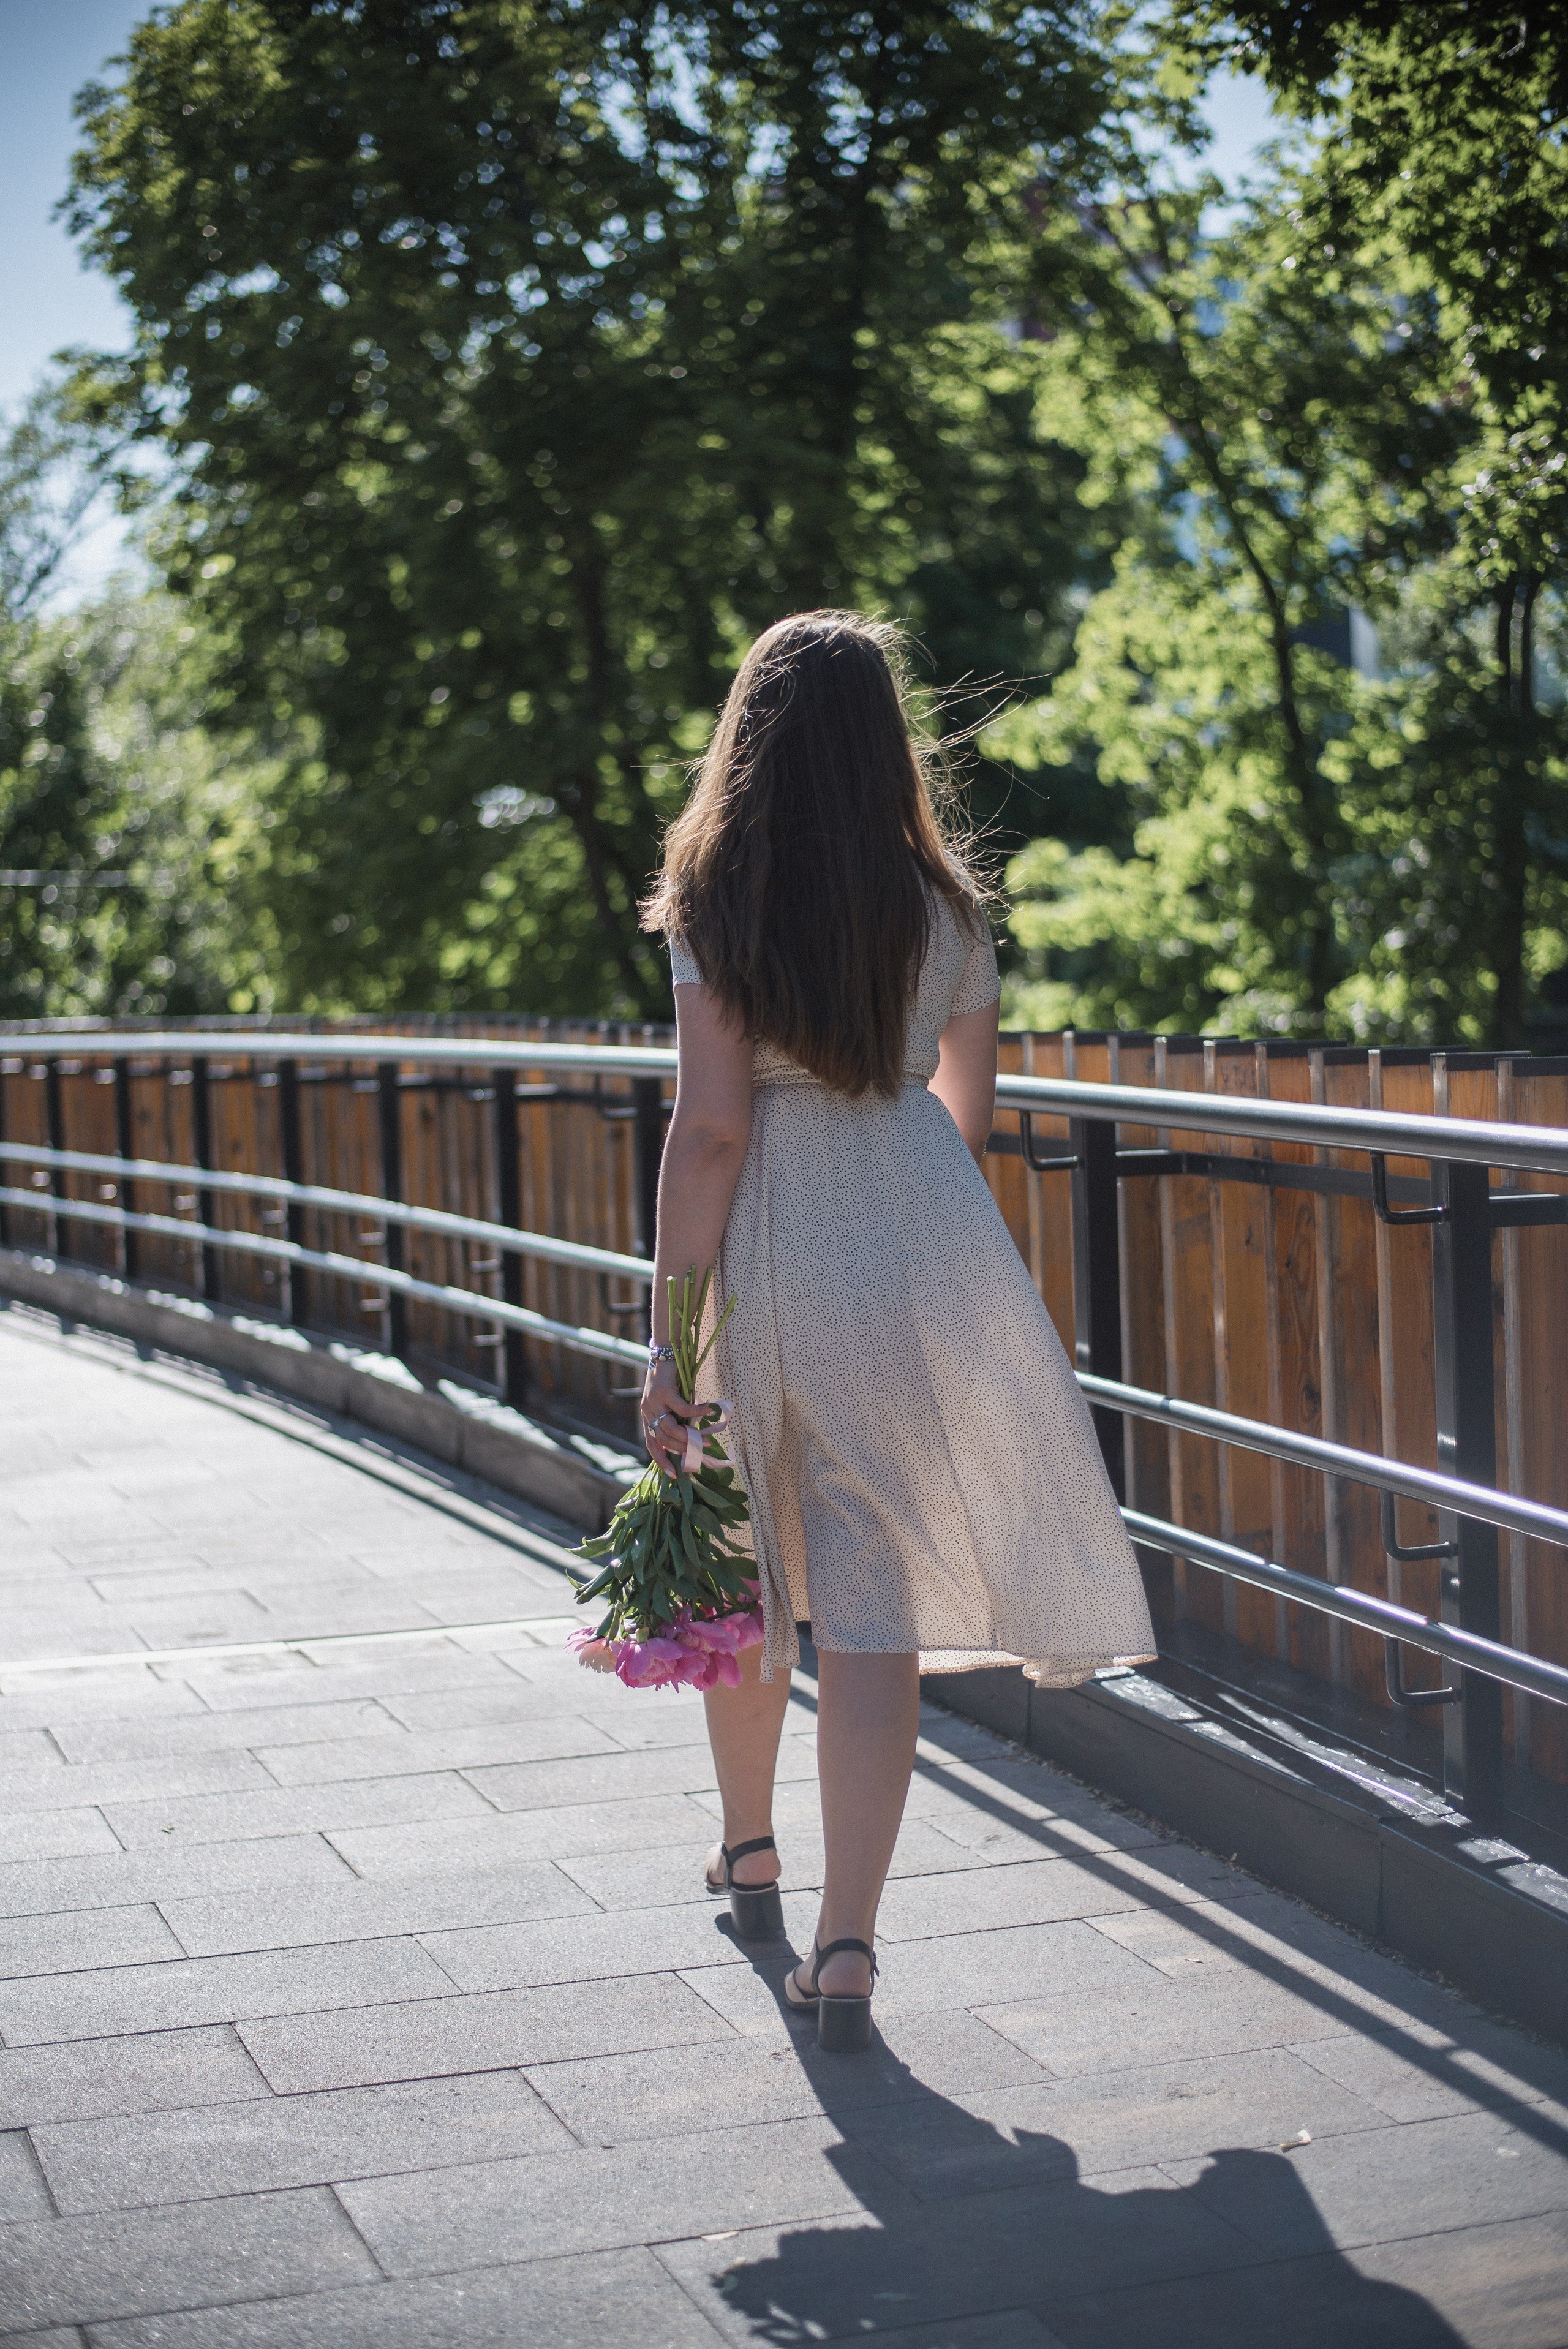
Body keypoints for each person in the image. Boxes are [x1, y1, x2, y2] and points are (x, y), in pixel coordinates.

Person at [638, 611, 1154, 2050]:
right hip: (915, 1236)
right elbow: (963, 1105)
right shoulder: (943, 902)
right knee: (873, 1615)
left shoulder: (712, 895)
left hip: (768, 1252)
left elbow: (711, 1131)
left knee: (741, 1564)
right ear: (888, 740)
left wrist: (668, 1339)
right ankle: (847, 1945)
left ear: (749, 732)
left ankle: (747, 1847)